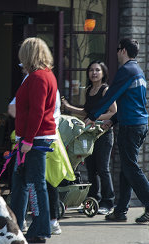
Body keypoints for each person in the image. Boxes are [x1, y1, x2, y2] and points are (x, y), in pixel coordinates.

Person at [85, 38, 149, 224]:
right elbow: (130, 102)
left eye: (118, 49)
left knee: (130, 167)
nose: (116, 53)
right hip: (138, 124)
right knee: (126, 169)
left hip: (131, 127)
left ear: (123, 51)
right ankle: (120, 211)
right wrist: (113, 120)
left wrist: (93, 116)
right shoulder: (138, 71)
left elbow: (111, 95)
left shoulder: (126, 71)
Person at [10, 37, 58, 243]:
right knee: (21, 183)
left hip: (35, 139)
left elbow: (37, 111)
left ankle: (39, 230)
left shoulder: (38, 77)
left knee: (34, 185)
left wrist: (28, 140)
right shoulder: (45, 75)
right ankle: (16, 224)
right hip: (33, 138)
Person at [62, 61, 116, 215]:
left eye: (97, 70)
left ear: (103, 73)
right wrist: (69, 107)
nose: (94, 73)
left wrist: (95, 118)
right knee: (91, 169)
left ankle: (108, 202)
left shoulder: (106, 90)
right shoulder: (89, 90)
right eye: (91, 70)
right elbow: (86, 112)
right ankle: (94, 200)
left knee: (103, 169)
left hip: (104, 134)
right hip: (91, 135)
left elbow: (113, 111)